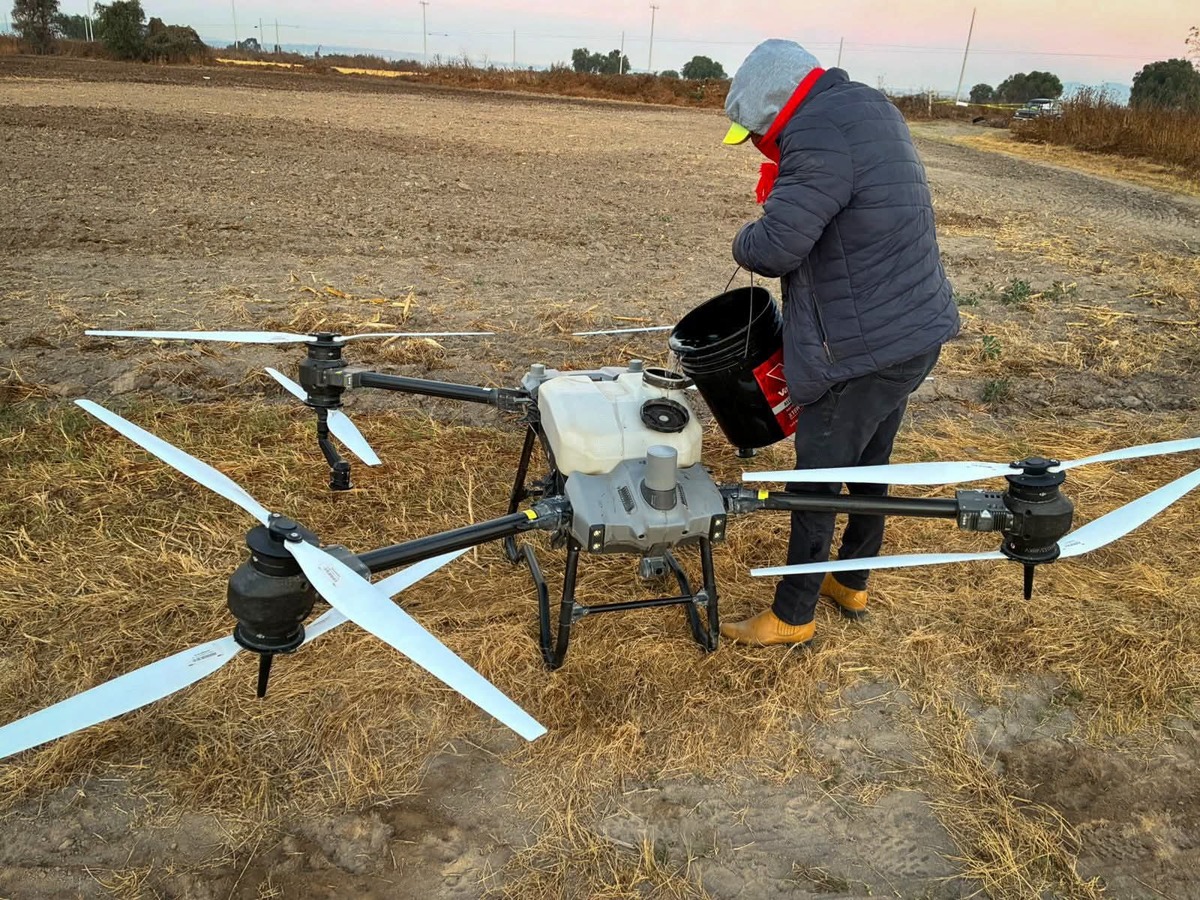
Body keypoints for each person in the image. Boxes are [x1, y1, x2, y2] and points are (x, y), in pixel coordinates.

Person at [718, 39, 960, 647]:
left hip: (859, 348)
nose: (752, 144)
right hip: (909, 332)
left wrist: (755, 222)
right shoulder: (866, 106)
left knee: (816, 481)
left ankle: (792, 615)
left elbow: (774, 248)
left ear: (773, 112)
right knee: (871, 463)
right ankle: (851, 579)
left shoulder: (817, 137)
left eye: (752, 133)